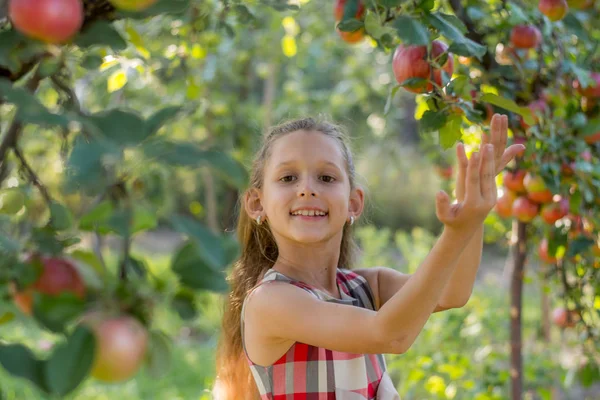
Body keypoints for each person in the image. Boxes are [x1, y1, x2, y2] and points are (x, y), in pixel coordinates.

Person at [213, 115, 525, 399]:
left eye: (326, 177)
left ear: (353, 203)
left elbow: (452, 292)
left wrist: (473, 211)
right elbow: (391, 335)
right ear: (256, 204)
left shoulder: (366, 286)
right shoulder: (271, 301)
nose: (307, 189)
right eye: (287, 178)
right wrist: (456, 232)